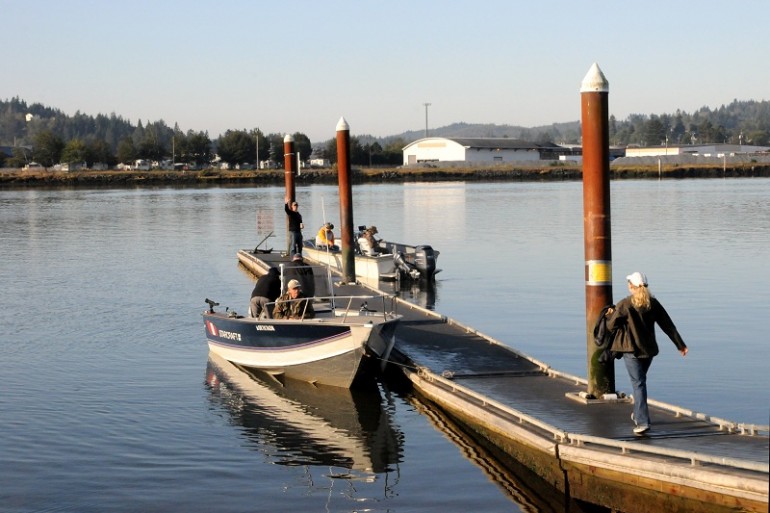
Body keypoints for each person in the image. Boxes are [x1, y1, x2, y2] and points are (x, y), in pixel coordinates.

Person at [606, 271, 688, 436]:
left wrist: (610, 315)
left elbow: (610, 326)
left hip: (632, 351)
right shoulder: (653, 304)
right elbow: (668, 325)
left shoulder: (625, 304)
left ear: (631, 286)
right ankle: (638, 414)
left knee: (639, 384)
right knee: (640, 383)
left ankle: (642, 422)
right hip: (648, 352)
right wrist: (680, 345)